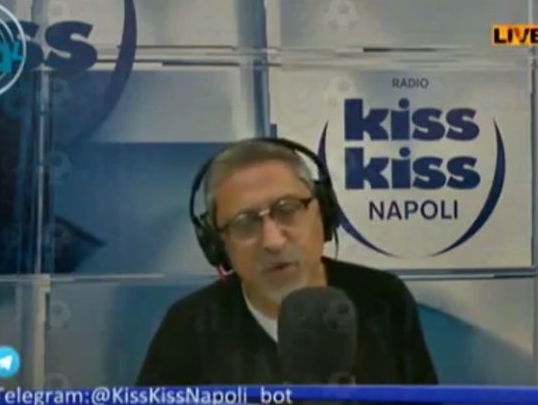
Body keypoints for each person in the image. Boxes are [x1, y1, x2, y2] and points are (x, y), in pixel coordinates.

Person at [136, 137, 438, 385]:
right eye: (244, 222)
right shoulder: (191, 327)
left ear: (323, 212)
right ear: (218, 244)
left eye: (287, 209)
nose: (273, 241)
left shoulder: (383, 300)